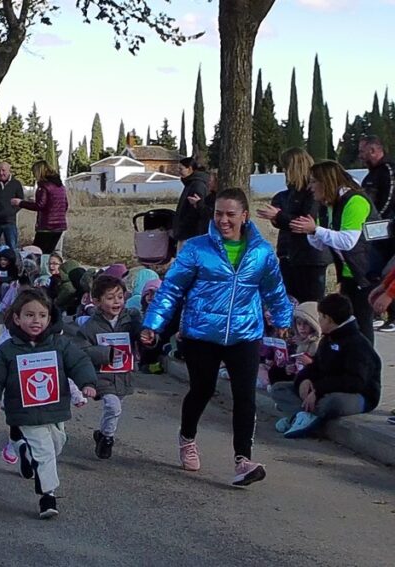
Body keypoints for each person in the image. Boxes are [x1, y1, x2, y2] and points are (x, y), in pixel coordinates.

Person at [142, 188, 292, 487]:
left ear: (244, 216)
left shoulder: (261, 252)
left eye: (230, 214)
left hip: (245, 333)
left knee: (245, 396)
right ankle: (187, 437)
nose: (223, 220)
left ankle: (242, 459)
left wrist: (283, 319)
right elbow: (172, 289)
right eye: (219, 214)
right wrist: (153, 324)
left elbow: (274, 290)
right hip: (202, 334)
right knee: (203, 390)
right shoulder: (197, 249)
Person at [0, 289, 97, 519]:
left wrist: (87, 383)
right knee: (45, 452)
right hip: (24, 411)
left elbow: (79, 362)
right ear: (17, 318)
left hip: (55, 409)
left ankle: (23, 450)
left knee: (56, 444)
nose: (36, 320)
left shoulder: (60, 344)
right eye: (29, 315)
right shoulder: (8, 349)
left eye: (42, 315)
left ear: (50, 318)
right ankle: (48, 496)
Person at [290, 161, 379, 344]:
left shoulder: (355, 201)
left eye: (314, 181)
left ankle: (367, 369)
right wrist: (312, 232)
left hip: (367, 273)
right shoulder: (329, 205)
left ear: (326, 182)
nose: (310, 187)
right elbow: (323, 243)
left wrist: (316, 230)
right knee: (347, 326)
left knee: (362, 327)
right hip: (349, 273)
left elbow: (347, 241)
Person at [271, 294, 381, 438]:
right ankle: (299, 417)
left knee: (330, 402)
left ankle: (301, 417)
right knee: (279, 389)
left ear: (329, 319)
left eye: (321, 317)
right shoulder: (328, 338)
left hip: (359, 395)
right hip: (323, 388)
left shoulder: (357, 344)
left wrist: (318, 390)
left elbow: (355, 382)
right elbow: (316, 366)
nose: (319, 320)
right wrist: (304, 379)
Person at [76, 275, 146, 460]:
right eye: (110, 297)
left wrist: (148, 338)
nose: (117, 302)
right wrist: (105, 353)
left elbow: (141, 335)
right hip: (102, 374)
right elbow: (82, 349)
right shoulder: (91, 325)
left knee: (115, 409)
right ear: (97, 301)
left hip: (123, 373)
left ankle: (102, 433)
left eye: (120, 297)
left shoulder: (130, 319)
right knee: (113, 405)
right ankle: (108, 439)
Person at [255, 148, 330, 303]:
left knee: (310, 304)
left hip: (310, 257)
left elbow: (304, 222)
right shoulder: (288, 194)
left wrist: (278, 216)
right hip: (290, 255)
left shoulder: (312, 193)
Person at [357, 135, 395, 331]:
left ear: (374, 150)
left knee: (389, 271)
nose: (360, 156)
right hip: (375, 232)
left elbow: (388, 198)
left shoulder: (388, 171)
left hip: (387, 231)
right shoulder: (371, 175)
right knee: (374, 272)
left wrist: (378, 219)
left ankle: (392, 315)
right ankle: (377, 312)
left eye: (363, 151)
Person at [12, 161, 68, 254]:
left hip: (47, 226)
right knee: (48, 254)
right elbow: (65, 205)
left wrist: (20, 203)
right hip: (60, 226)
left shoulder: (44, 186)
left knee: (37, 253)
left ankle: (40, 268)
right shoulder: (60, 186)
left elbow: (40, 205)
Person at [172, 157, 211, 245]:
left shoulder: (197, 185)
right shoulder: (191, 183)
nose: (178, 171)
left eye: (181, 168)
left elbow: (195, 211)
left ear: (189, 168)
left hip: (190, 234)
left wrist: (182, 227)